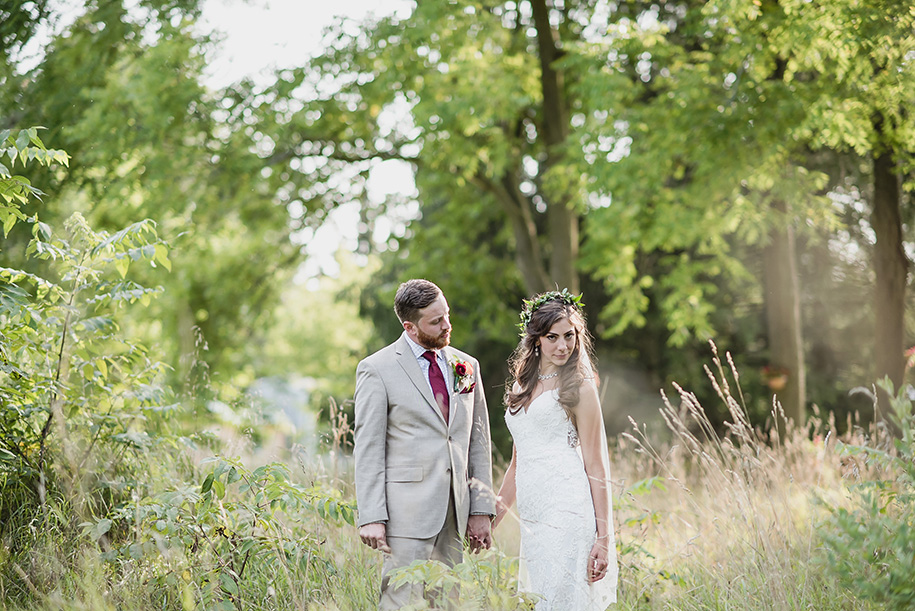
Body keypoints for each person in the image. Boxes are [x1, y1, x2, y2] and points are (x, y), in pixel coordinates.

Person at [354, 279, 496, 609]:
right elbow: (369, 448)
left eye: (446, 315)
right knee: (400, 601)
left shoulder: (467, 366)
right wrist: (372, 515)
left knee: (448, 601)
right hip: (405, 513)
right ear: (410, 327)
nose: (447, 326)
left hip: (455, 510)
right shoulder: (377, 369)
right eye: (436, 321)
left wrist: (480, 509)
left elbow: (478, 440)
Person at [494, 289, 618, 610]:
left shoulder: (579, 387)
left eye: (569, 336)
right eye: (552, 337)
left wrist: (603, 539)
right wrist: (492, 516)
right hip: (534, 518)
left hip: (568, 510)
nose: (563, 345)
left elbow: (596, 465)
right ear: (536, 339)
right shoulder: (521, 386)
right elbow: (517, 464)